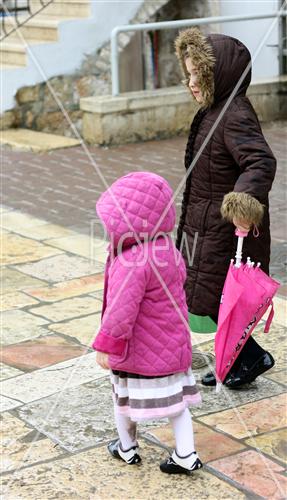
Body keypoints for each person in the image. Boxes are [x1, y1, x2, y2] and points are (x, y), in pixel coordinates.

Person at [174, 28, 276, 389]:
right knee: (210, 294)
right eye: (188, 75)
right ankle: (234, 358)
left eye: (197, 76)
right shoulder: (214, 111)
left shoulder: (234, 114)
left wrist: (243, 203)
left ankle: (250, 358)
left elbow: (260, 161)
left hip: (227, 228)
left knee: (224, 297)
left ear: (219, 75)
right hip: (206, 223)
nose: (191, 83)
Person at [92, 171, 202, 475]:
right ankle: (186, 454)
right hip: (173, 347)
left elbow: (119, 313)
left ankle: (126, 448)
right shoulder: (169, 249)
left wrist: (107, 346)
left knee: (122, 399)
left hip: (137, 352)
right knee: (177, 406)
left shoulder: (131, 261)